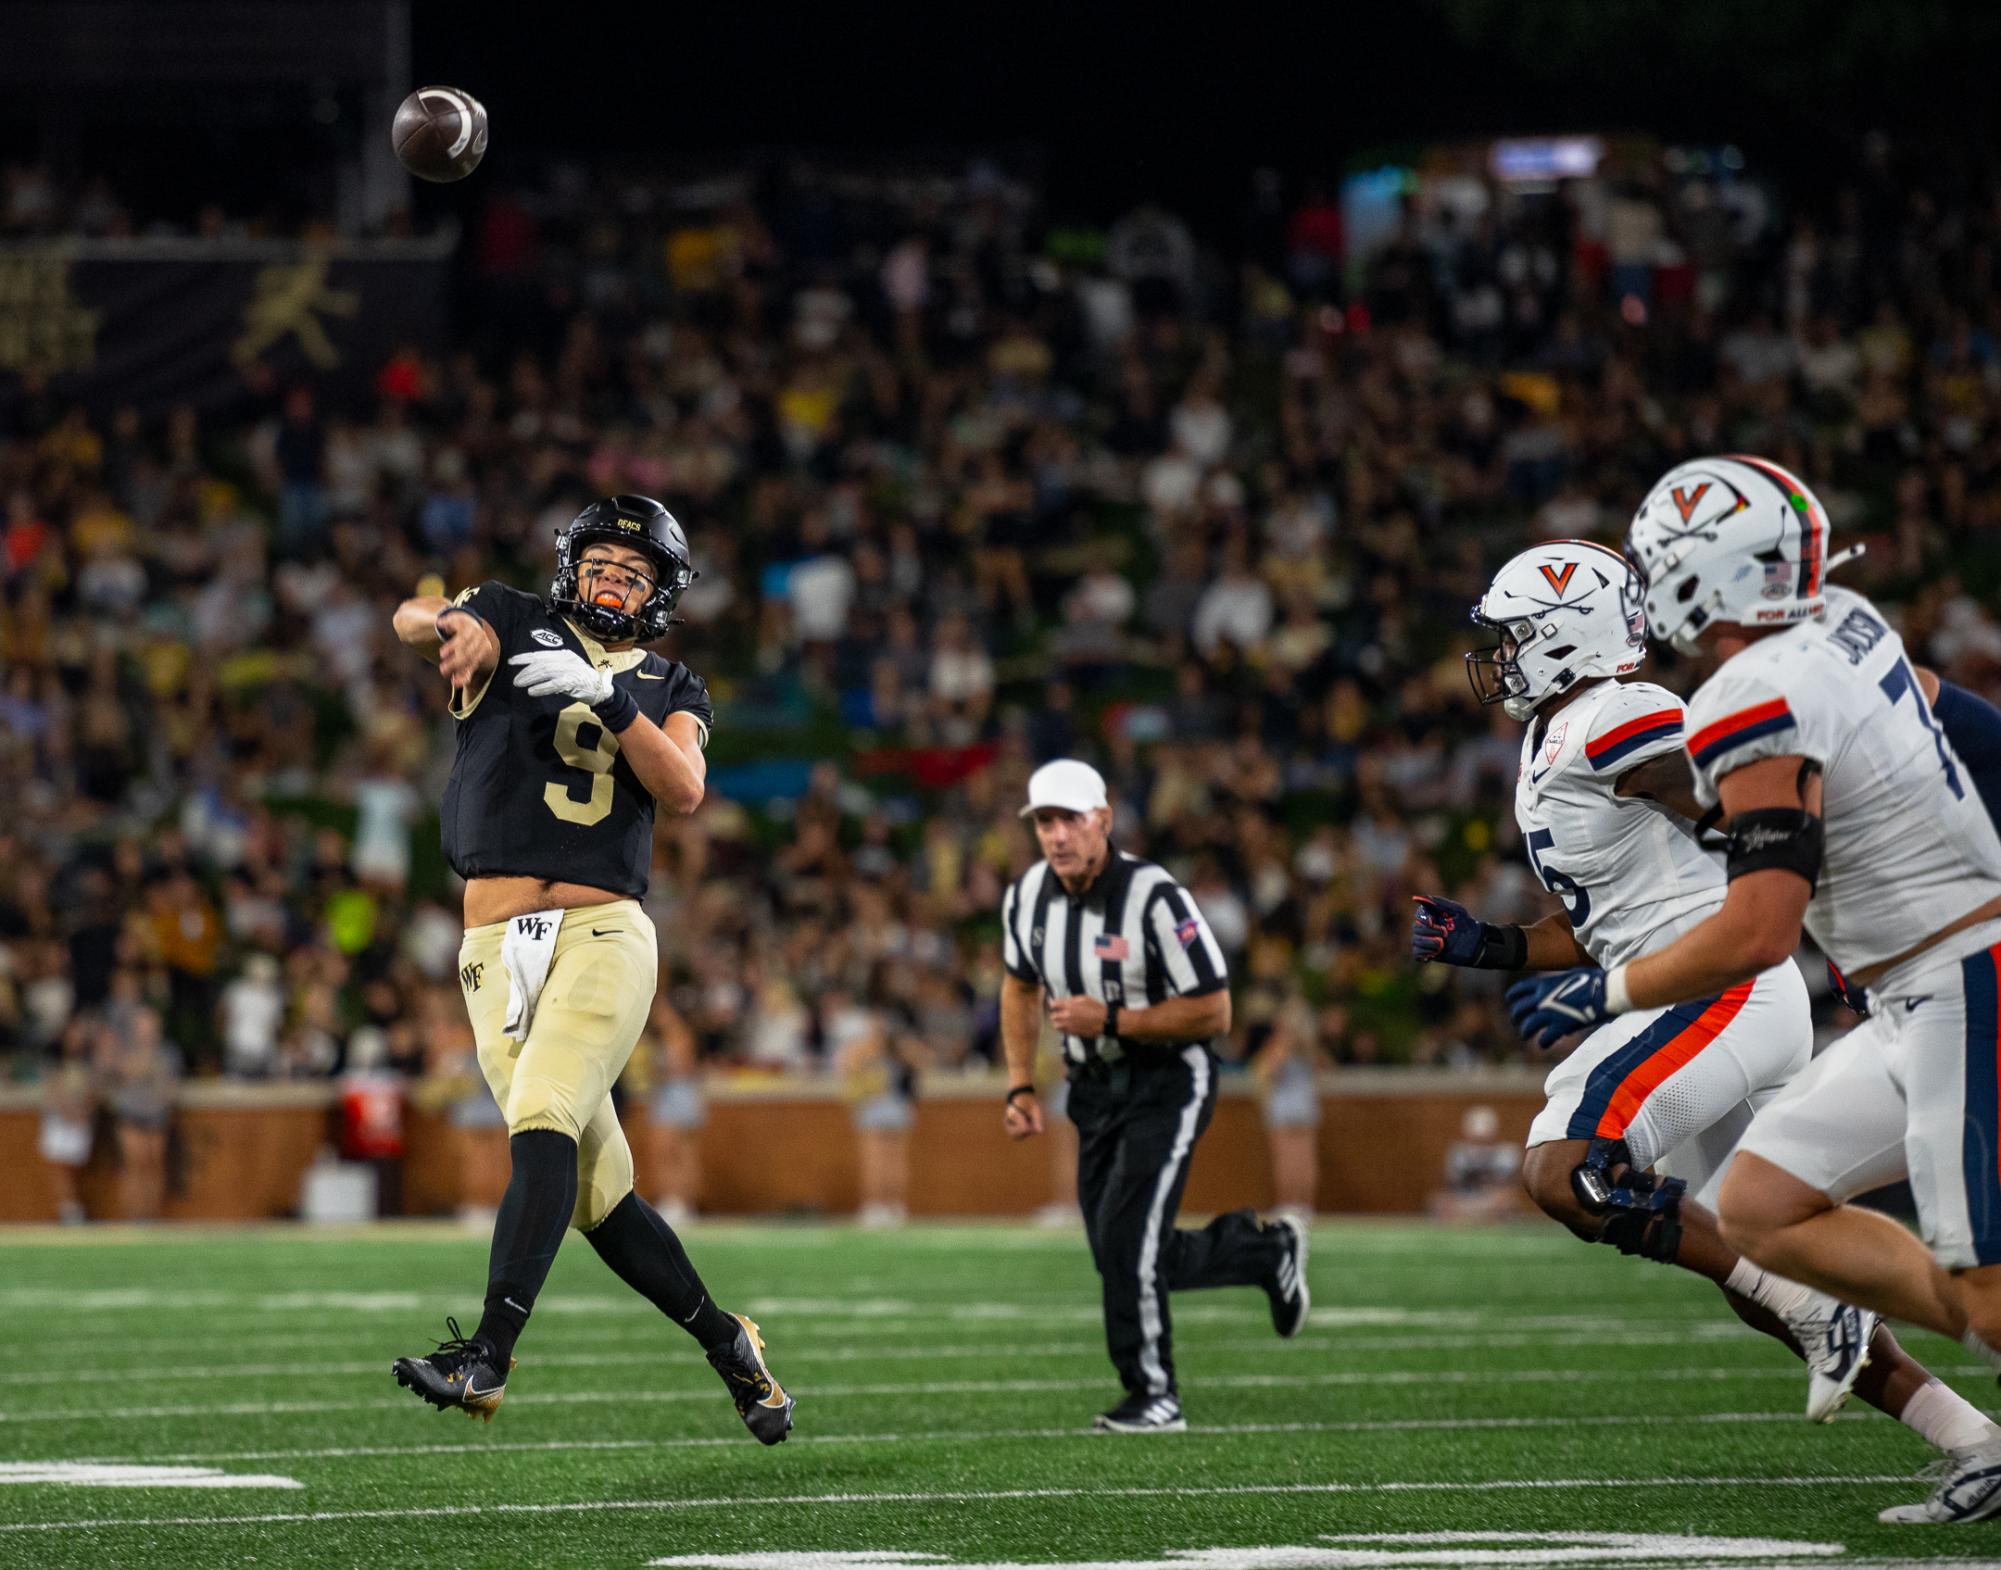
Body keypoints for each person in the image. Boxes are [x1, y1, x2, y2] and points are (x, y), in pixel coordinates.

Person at [1509, 459, 2001, 1522]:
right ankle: (1963, 1420)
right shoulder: (1850, 622)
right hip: (1905, 989)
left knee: (1981, 1287)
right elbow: (1973, 730)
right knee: (1761, 1211)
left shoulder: (1728, 695)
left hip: (1961, 975)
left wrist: (1605, 993)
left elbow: (1759, 923)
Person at [1416, 538, 1980, 1440]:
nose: (1500, 656)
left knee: (1566, 1167)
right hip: (1697, 991)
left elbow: (1754, 804)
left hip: (1719, 990)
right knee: (1751, 1260)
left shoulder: (1616, 713)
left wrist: (1815, 884)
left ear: (1568, 635)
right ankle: (1970, 1441)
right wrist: (1489, 946)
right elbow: (1602, 921)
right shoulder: (1559, 736)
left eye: (1516, 635)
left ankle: (1821, 1307)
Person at [386, 494, 792, 1444]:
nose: (615, 579)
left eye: (636, 572)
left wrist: (605, 696)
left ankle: (485, 1354)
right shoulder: (513, 613)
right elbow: (417, 619)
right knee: (597, 1199)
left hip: (601, 929)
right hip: (491, 945)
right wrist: (447, 628)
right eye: (603, 563)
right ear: (573, 565)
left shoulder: (670, 682)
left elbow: (683, 788)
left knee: (543, 1118)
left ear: (661, 593)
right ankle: (730, 1344)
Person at [998, 758, 1308, 1434]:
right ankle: (1261, 1253)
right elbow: (1018, 986)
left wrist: (1111, 1020)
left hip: (1167, 1080)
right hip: (1091, 1088)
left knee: (1130, 1245)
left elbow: (1213, 1010)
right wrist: (1020, 1081)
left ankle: (1152, 1393)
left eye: (1069, 819)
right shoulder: (1025, 897)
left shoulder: (1155, 895)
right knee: (1118, 1252)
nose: (1056, 835)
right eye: (1044, 822)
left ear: (1102, 820)